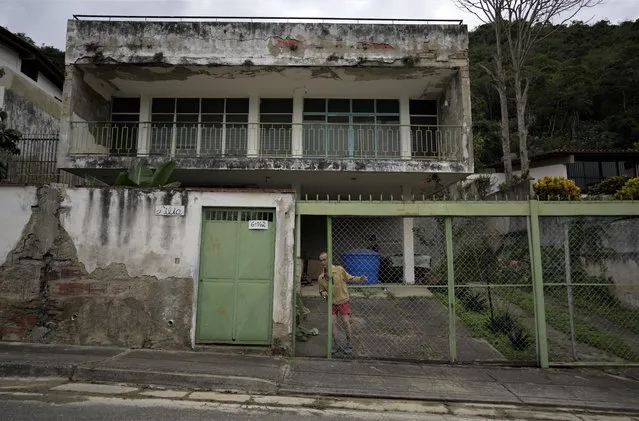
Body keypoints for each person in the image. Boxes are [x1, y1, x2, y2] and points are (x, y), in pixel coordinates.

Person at [318, 251, 367, 354]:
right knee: (333, 323)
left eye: (324, 259)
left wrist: (360, 279)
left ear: (329, 259)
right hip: (332, 303)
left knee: (345, 322)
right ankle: (336, 344)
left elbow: (350, 277)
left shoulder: (339, 270)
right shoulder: (321, 277)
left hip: (343, 301)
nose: (322, 262)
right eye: (321, 260)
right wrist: (324, 294)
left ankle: (349, 343)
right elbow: (321, 290)